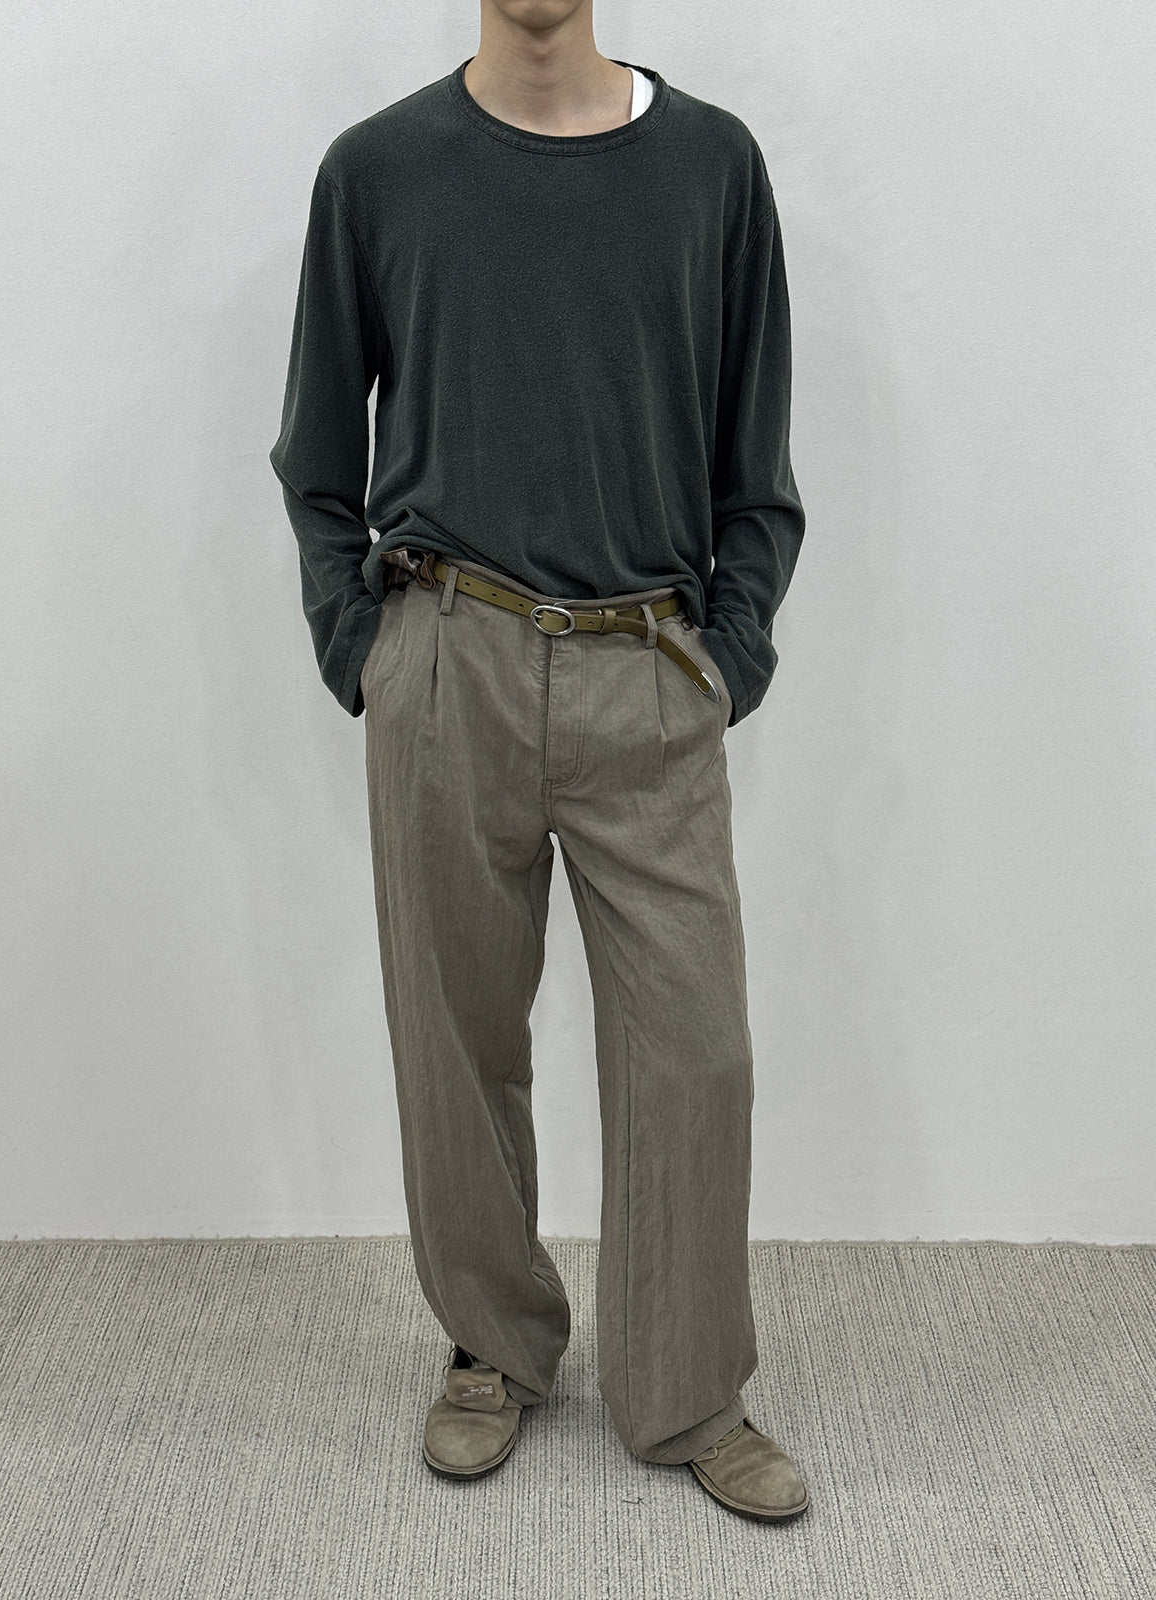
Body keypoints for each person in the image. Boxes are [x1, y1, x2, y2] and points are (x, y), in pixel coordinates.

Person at [269, 0, 809, 1523]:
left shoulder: (712, 167)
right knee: (454, 1038)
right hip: (450, 657)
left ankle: (687, 1386)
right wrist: (364, 648)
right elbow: (317, 459)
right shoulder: (378, 171)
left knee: (695, 1056)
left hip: (651, 666)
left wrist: (728, 656)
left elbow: (755, 462)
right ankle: (494, 1346)